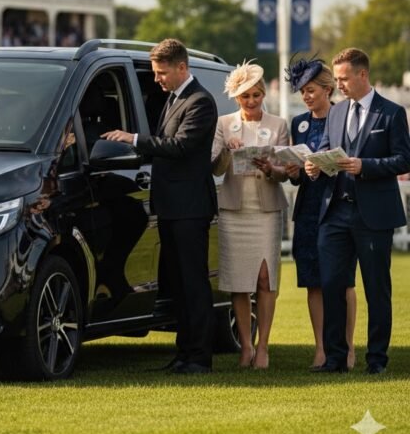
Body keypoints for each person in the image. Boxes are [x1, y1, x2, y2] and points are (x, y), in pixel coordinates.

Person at [103, 38, 218, 374]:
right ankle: (184, 354)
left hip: (190, 208)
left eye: (161, 72)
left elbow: (180, 147)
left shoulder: (200, 102)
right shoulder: (173, 99)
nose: (156, 79)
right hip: (170, 207)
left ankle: (199, 357)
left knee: (194, 284)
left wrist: (134, 139)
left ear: (182, 67)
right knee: (179, 284)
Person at [306, 48, 410, 375]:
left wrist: (365, 165)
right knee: (333, 285)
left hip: (373, 215)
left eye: (343, 78)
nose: (338, 85)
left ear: (362, 75)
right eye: (336, 79)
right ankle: (335, 359)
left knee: (376, 289)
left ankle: (376, 360)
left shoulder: (391, 113)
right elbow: (326, 149)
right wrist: (314, 166)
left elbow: (404, 159)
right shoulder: (336, 113)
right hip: (335, 212)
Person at [211, 62, 288, 369]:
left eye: (257, 95)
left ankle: (264, 346)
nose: (252, 101)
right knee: (240, 281)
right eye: (246, 97)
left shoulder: (279, 123)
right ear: (237, 98)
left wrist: (273, 168)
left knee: (265, 279)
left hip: (266, 210)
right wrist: (228, 151)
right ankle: (245, 346)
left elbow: (287, 170)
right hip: (234, 210)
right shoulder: (223, 123)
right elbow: (214, 168)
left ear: (264, 94)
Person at [284, 56, 357, 370]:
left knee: (342, 283)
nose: (307, 96)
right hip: (309, 209)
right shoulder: (298, 123)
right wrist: (292, 170)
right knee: (313, 282)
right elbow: (299, 171)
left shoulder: (346, 118)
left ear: (328, 89)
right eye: (302, 91)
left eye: (312, 89)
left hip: (339, 207)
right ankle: (321, 349)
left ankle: (348, 348)